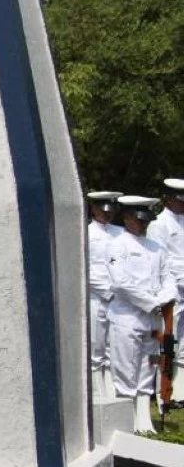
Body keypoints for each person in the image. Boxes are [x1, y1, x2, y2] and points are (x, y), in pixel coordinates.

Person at [107, 195, 177, 433]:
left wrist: (163, 300)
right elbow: (121, 283)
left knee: (149, 366)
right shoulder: (118, 244)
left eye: (145, 220)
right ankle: (125, 422)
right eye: (138, 219)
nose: (143, 224)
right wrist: (150, 302)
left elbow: (169, 279)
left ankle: (144, 420)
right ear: (126, 218)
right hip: (127, 316)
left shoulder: (156, 248)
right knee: (125, 369)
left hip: (153, 320)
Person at [146, 178, 184, 396]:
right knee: (168, 337)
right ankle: (162, 389)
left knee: (183, 339)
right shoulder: (159, 224)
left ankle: (179, 387)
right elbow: (161, 261)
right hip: (172, 289)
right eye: (179, 200)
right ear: (169, 199)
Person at [87, 191, 123, 399]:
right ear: (94, 209)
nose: (106, 215)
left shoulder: (120, 233)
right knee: (96, 346)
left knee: (114, 348)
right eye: (102, 210)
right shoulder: (86, 233)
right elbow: (85, 268)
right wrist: (106, 291)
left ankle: (114, 392)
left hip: (120, 298)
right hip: (96, 296)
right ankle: (96, 393)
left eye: (110, 211)